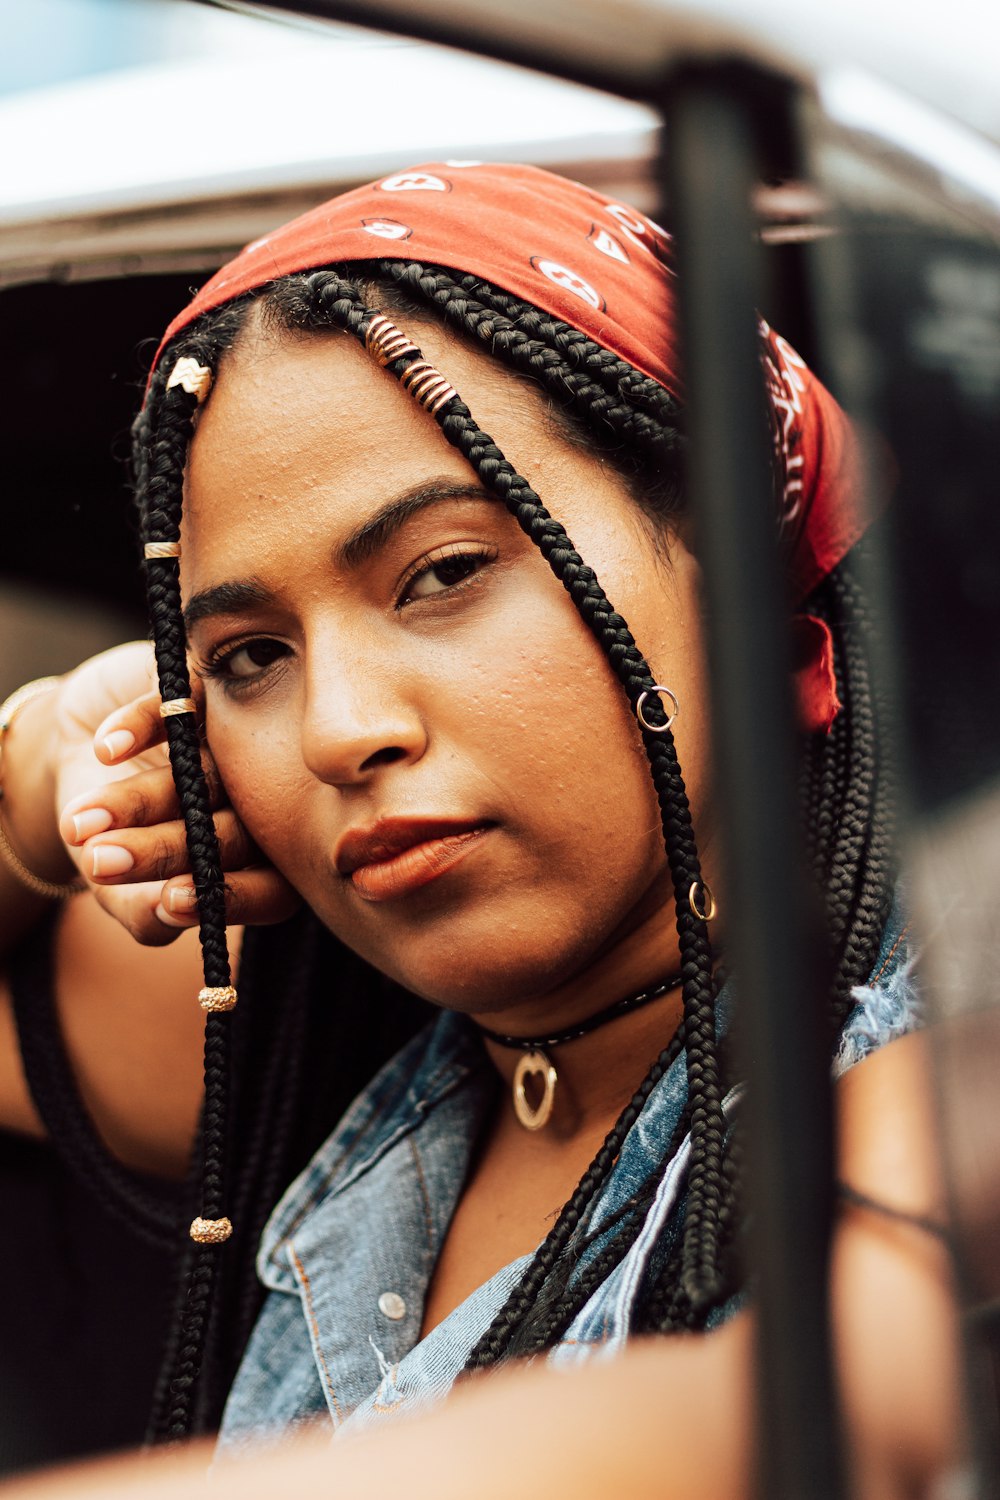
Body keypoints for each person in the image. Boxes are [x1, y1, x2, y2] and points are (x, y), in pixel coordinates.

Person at [0, 162, 937, 1474]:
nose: (338, 731)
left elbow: (844, 1397)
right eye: (250, 658)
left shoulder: (931, 1056)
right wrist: (43, 776)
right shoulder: (305, 1033)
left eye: (442, 574)